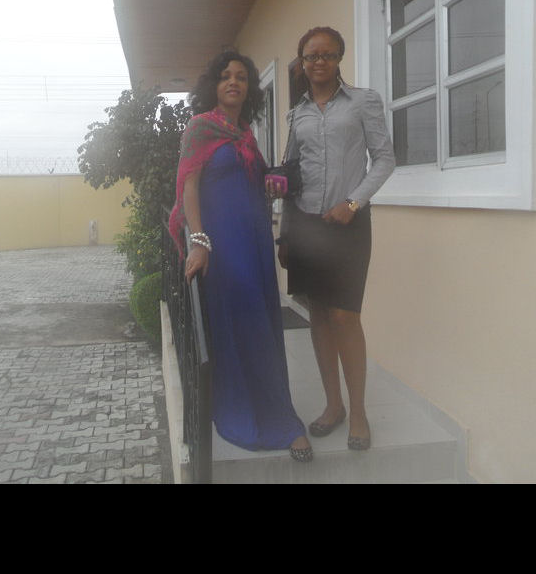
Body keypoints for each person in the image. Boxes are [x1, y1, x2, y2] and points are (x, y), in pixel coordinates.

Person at [169, 48, 313, 462]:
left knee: (263, 325)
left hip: (255, 240)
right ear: (213, 85)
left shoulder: (245, 133)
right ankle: (245, 414)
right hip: (224, 244)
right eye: (225, 76)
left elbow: (254, 181)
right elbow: (189, 186)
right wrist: (199, 241)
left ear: (249, 89)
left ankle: (281, 416)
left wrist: (273, 183)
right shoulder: (200, 128)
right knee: (240, 325)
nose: (233, 82)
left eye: (242, 77)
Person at [268, 26, 395, 451]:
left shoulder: (363, 102)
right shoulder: (296, 115)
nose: (318, 62)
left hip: (347, 225)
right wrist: (285, 234)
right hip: (305, 226)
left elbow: (384, 159)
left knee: (345, 316)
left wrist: (353, 202)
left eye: (326, 54)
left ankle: (358, 411)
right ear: (302, 64)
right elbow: (291, 176)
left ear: (339, 58)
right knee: (319, 315)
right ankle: (333, 405)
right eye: (310, 56)